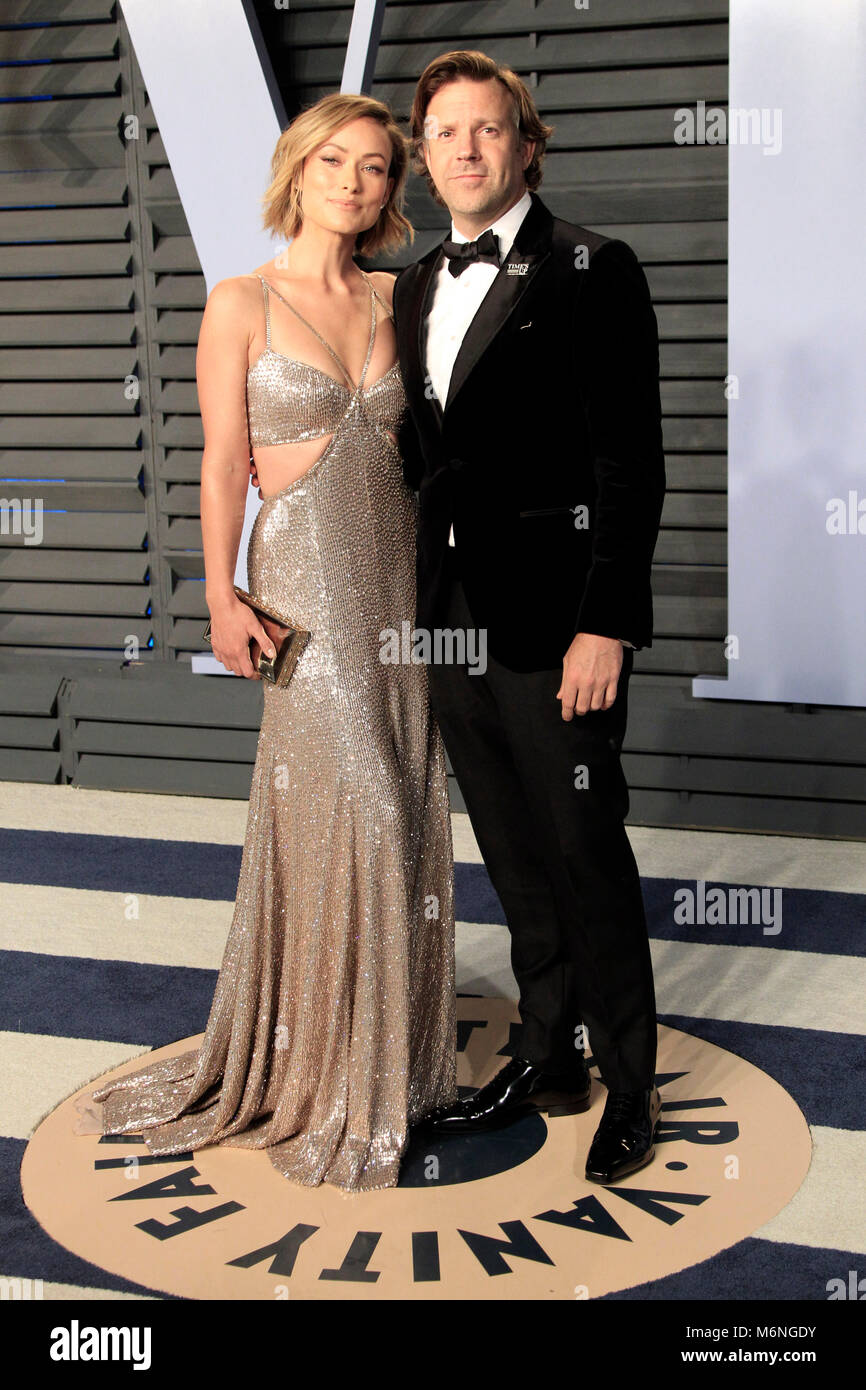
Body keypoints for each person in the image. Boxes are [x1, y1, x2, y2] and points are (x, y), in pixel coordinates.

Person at [74, 93, 458, 1192]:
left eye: (377, 167)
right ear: (298, 169)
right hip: (298, 583)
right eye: (334, 159)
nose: (353, 180)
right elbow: (216, 462)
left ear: (392, 188)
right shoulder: (240, 300)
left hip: (398, 590)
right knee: (370, 812)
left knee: (408, 807)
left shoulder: (400, 297)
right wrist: (221, 592)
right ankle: (332, 1079)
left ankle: (393, 1059)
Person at [390, 50, 666, 1184]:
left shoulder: (594, 268)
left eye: (486, 129)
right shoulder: (413, 282)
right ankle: (547, 1054)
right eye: (444, 131)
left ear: (526, 143)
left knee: (583, 850)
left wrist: (605, 625)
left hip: (559, 626)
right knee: (509, 848)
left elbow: (630, 465)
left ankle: (632, 1087)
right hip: (448, 616)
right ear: (424, 153)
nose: (464, 148)